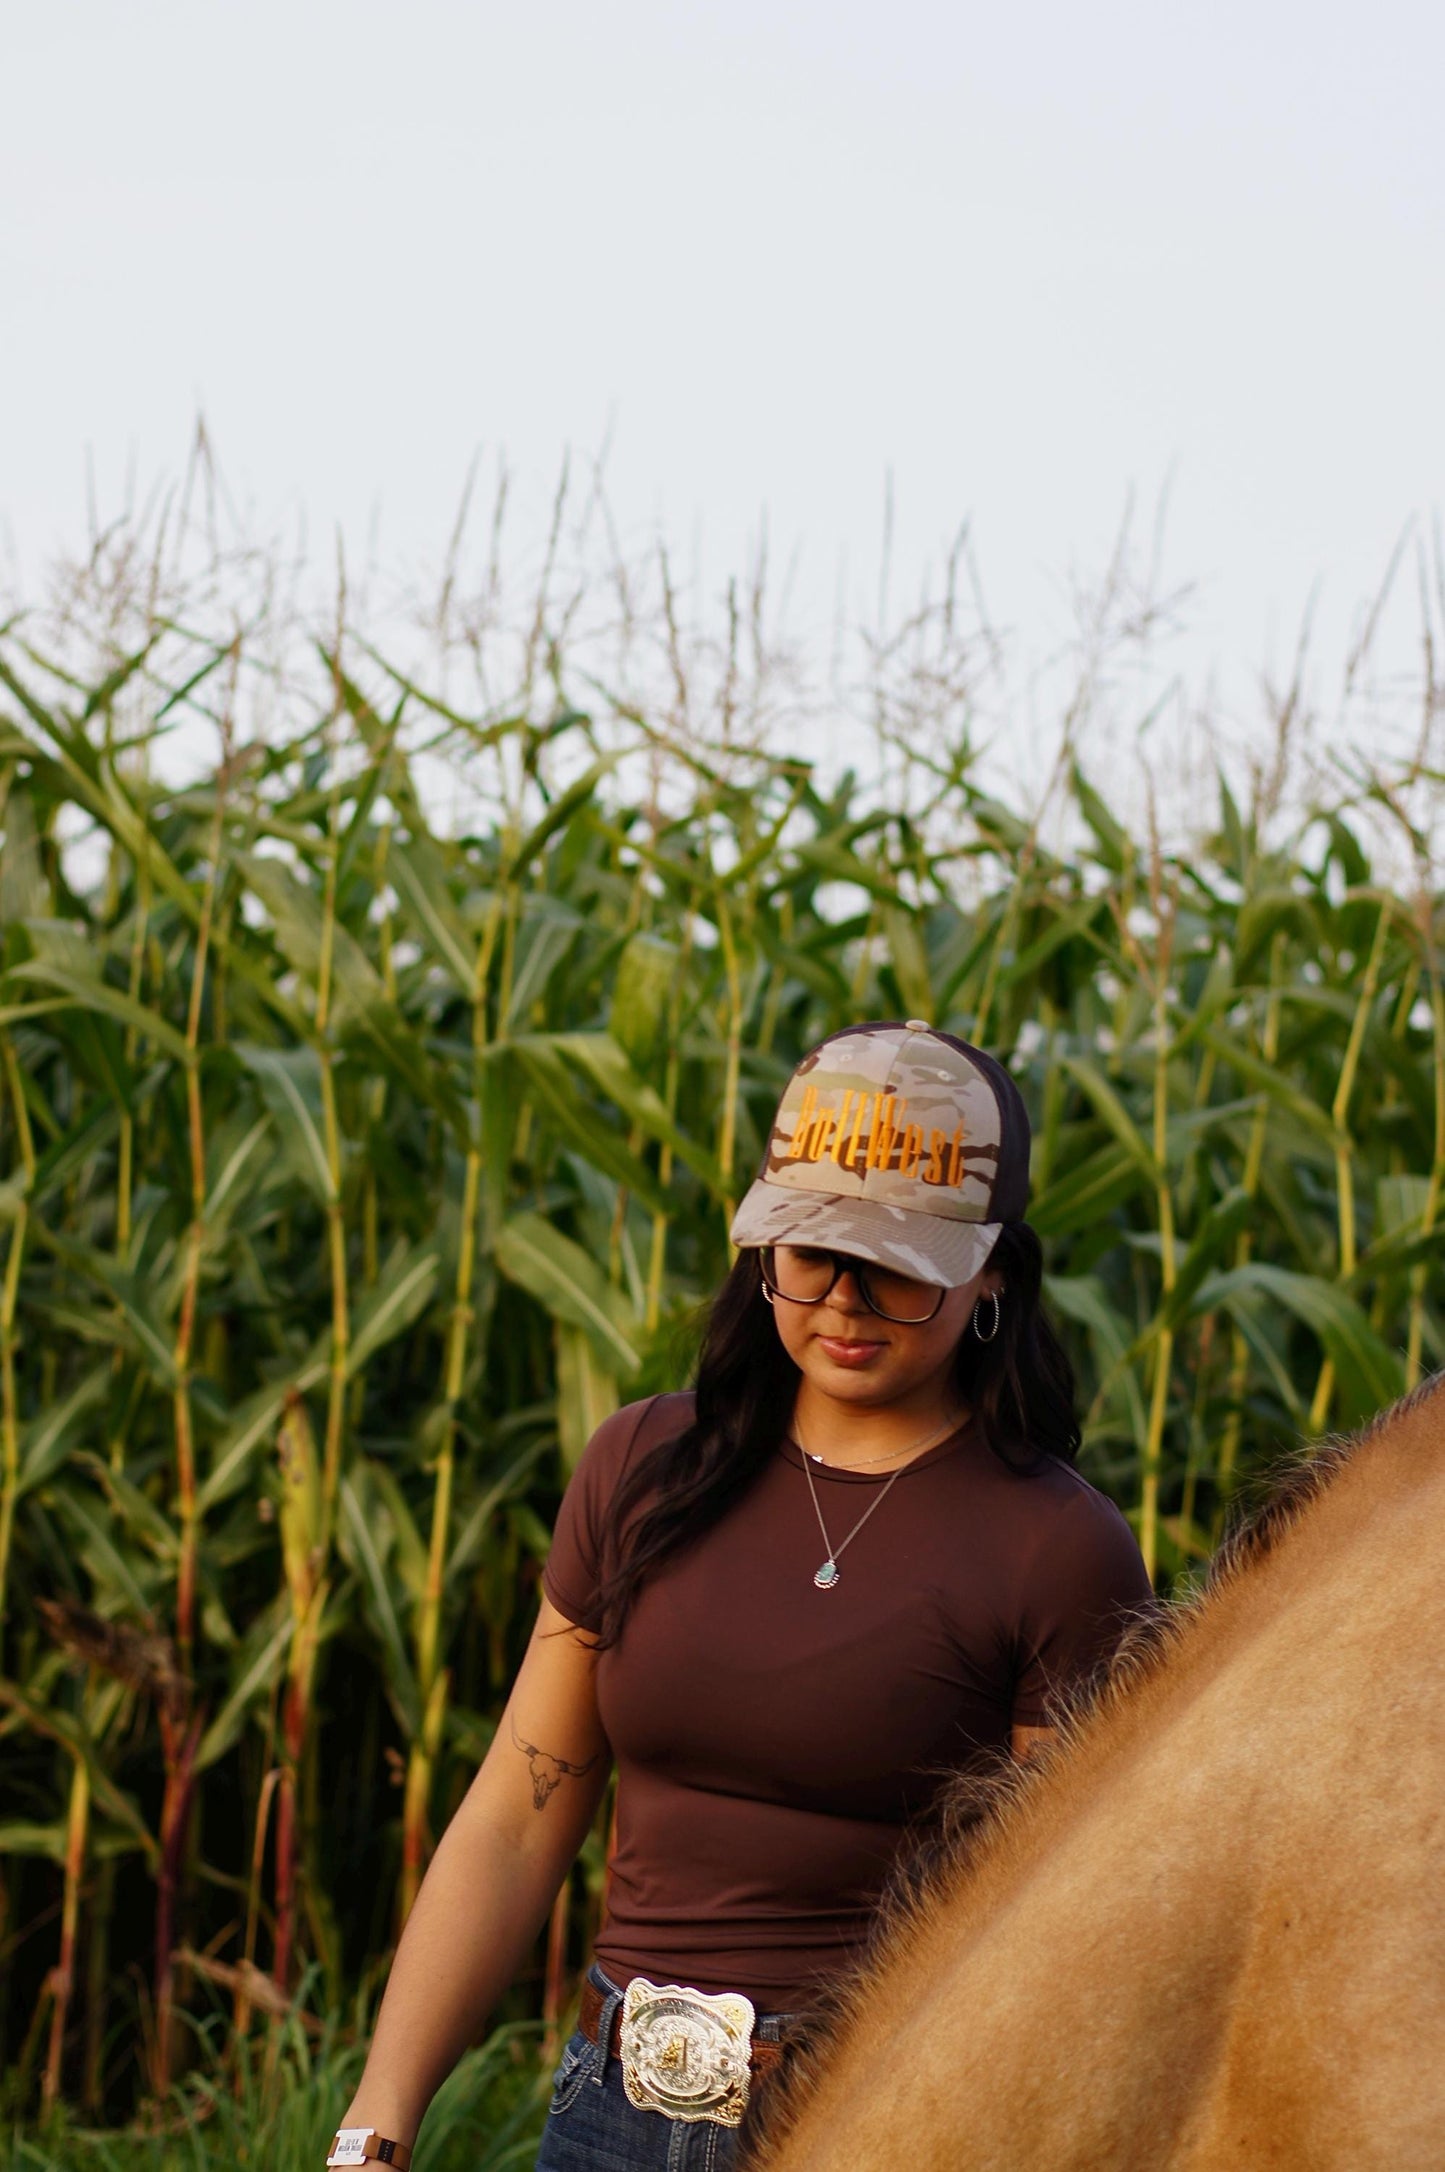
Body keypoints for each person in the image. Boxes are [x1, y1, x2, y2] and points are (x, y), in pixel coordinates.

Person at [325, 1021, 1153, 2172]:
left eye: (900, 1265)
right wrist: (375, 2124)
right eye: (810, 1253)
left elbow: (1051, 1931)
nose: (846, 1299)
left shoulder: (1059, 1550)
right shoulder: (641, 1469)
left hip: (875, 2122)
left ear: (993, 1275)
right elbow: (517, 1819)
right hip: (606, 2116)